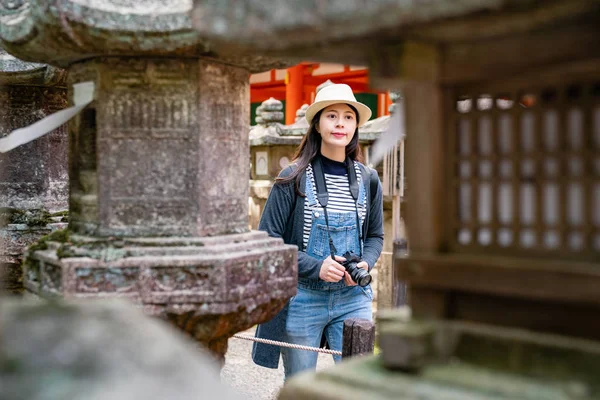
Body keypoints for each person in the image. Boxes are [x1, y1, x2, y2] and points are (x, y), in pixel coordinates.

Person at [251, 83, 384, 379]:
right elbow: (267, 242)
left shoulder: (369, 179)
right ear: (317, 124)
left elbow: (375, 236)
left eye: (349, 117)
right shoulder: (292, 177)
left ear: (356, 127)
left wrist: (365, 262)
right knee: (301, 386)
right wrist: (315, 267)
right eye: (332, 116)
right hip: (303, 298)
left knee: (359, 384)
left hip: (353, 296)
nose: (340, 123)